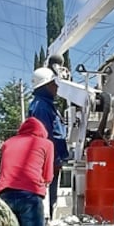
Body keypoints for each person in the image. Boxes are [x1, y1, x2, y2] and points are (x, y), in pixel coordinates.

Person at [28, 67, 69, 218]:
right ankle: (46, 223)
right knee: (47, 197)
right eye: (53, 83)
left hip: (49, 158)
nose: (57, 86)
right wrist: (54, 159)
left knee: (49, 196)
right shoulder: (42, 107)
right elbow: (46, 136)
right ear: (45, 86)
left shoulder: (43, 105)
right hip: (48, 160)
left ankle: (47, 219)